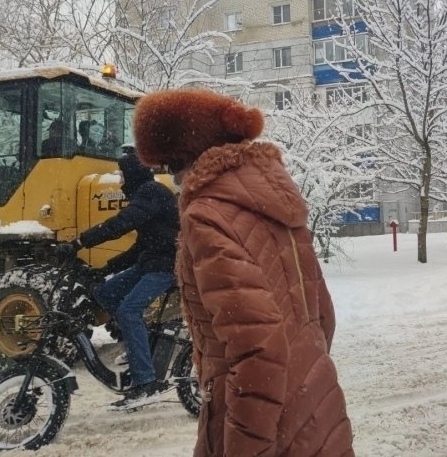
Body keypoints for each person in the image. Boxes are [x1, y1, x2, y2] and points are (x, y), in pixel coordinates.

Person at [133, 89, 354, 457]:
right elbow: (322, 315)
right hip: (316, 400)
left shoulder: (206, 215)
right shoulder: (277, 203)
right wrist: (304, 376)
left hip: (261, 424)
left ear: (188, 157)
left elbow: (256, 352)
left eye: (169, 167)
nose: (172, 181)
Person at [56, 149, 179, 409]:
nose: (120, 180)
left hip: (168, 266)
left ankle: (146, 382)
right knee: (106, 293)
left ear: (133, 173)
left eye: (122, 175)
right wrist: (104, 270)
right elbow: (139, 248)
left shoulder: (151, 192)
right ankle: (140, 346)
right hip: (150, 263)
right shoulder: (146, 195)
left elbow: (121, 224)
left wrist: (80, 242)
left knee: (128, 311)